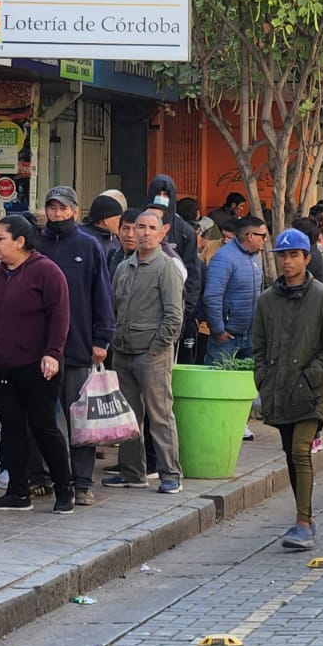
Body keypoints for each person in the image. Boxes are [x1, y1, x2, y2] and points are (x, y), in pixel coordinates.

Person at [0, 214, 74, 514]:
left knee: (43, 426)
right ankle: (18, 490)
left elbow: (60, 316)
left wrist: (52, 353)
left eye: (1, 238)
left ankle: (64, 488)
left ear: (20, 241)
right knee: (11, 428)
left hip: (37, 366)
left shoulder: (46, 272)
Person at [253, 228, 323, 551]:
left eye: (294, 255)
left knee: (300, 450)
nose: (288, 261)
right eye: (282, 255)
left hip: (310, 392)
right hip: (278, 391)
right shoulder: (266, 301)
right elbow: (259, 347)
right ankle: (305, 515)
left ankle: (303, 522)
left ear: (307, 258)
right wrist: (263, 379)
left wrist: (309, 379)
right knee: (291, 454)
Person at [37, 186, 115, 507]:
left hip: (79, 347)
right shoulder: (36, 244)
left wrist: (101, 339)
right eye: (52, 208)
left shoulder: (89, 245)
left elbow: (102, 295)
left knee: (79, 420)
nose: (56, 213)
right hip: (40, 350)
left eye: (62, 208)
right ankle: (44, 476)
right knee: (41, 418)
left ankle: (82, 482)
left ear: (74, 210)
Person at [104, 210, 185, 493]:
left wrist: (155, 349)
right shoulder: (123, 267)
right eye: (141, 227)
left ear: (162, 232)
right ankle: (132, 472)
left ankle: (170, 475)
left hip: (152, 355)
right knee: (127, 416)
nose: (145, 232)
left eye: (152, 227)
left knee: (160, 415)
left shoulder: (167, 268)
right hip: (123, 352)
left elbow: (174, 317)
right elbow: (113, 309)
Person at [145, 174, 202, 361]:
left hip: (173, 313)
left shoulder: (184, 231)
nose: (161, 197)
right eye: (157, 193)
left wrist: (187, 311)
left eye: (166, 194)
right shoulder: (141, 224)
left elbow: (193, 274)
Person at [204, 215, 266, 366]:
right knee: (219, 382)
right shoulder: (224, 258)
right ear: (250, 236)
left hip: (251, 335)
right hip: (227, 336)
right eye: (262, 236)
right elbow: (212, 296)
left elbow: (260, 290)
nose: (265, 240)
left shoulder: (256, 256)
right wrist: (218, 330)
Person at [86, 194, 124, 269]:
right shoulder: (88, 241)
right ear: (106, 220)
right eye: (118, 219)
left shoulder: (115, 238)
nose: (121, 222)